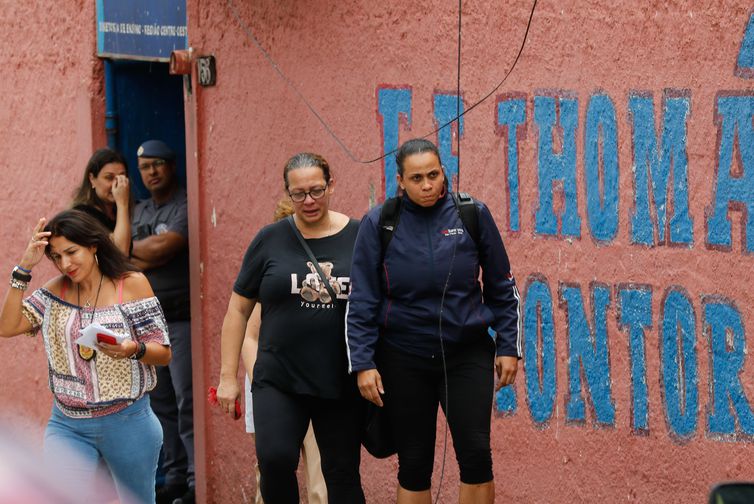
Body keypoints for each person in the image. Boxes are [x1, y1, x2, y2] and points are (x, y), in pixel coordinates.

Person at [346, 138, 522, 504]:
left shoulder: (472, 214)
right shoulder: (381, 224)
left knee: (476, 455)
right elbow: (362, 299)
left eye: (433, 175)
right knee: (414, 461)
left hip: (466, 353)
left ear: (444, 173)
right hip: (403, 356)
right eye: (416, 178)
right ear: (400, 181)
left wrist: (508, 345)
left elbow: (502, 285)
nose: (427, 185)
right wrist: (363, 363)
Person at [216, 152, 365, 504]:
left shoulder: (360, 236)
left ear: (331, 186)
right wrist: (227, 377)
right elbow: (238, 309)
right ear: (287, 193)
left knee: (341, 471)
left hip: (339, 378)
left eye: (316, 190)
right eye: (299, 194)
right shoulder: (269, 239)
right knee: (275, 459)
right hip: (279, 376)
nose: (309, 201)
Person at [0, 209, 171, 503]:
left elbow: (163, 352)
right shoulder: (54, 292)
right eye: (56, 257)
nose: (65, 264)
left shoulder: (131, 284)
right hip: (68, 424)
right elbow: (7, 326)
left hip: (129, 421)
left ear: (93, 245)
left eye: (71, 252)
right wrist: (23, 270)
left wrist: (133, 349)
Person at [240, 197, 328, 504]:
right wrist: (263, 382)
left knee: (321, 481)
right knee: (271, 471)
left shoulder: (332, 273)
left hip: (320, 386)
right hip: (275, 386)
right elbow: (249, 337)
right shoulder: (271, 277)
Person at [130, 140, 195, 504]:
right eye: (145, 167)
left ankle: (194, 480)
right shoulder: (138, 210)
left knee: (187, 401)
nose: (152, 172)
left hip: (181, 318)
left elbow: (166, 247)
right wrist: (139, 253)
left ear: (171, 166)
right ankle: (174, 477)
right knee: (161, 404)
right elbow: (123, 256)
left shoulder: (185, 204)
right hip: (147, 322)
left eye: (158, 164)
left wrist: (135, 251)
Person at [71, 147, 132, 255]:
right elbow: (120, 253)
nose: (116, 184)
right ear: (92, 179)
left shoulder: (117, 213)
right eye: (109, 177)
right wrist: (122, 204)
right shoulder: (83, 215)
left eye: (121, 177)